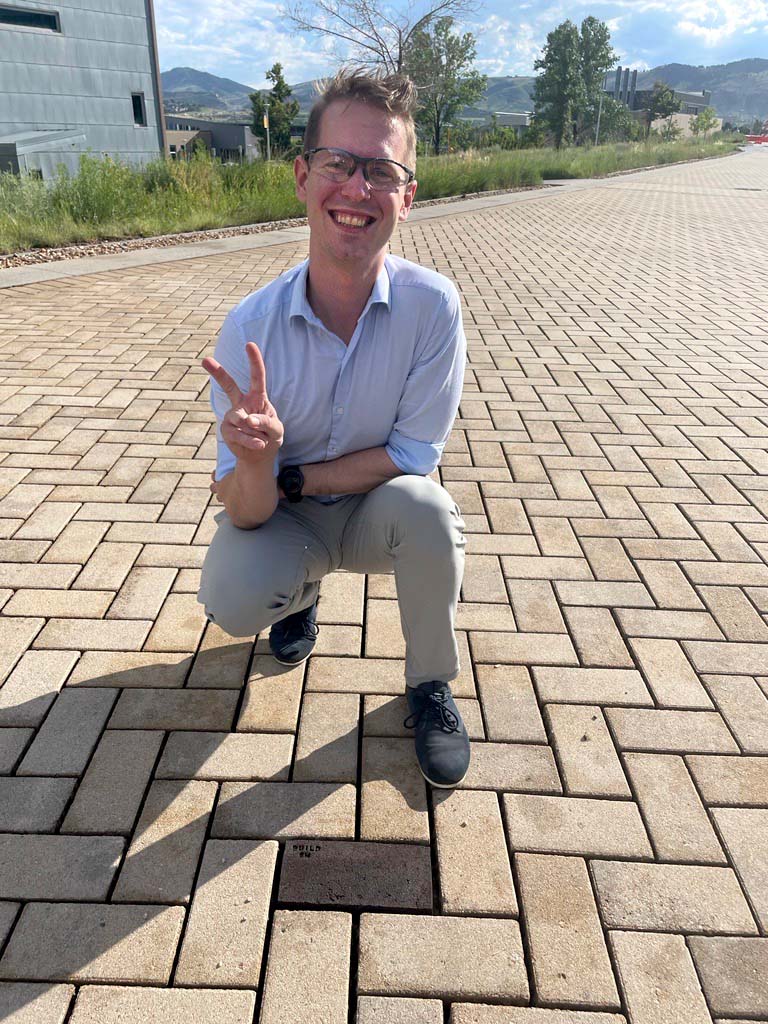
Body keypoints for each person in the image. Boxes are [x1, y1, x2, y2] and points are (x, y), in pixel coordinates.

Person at [197, 68, 470, 788]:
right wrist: (254, 463)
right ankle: (301, 595)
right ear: (301, 176)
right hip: (286, 518)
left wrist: (290, 475)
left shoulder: (433, 307)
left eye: (381, 170)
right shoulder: (250, 327)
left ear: (407, 196)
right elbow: (244, 509)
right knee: (232, 597)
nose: (356, 188)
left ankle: (430, 684)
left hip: (375, 510)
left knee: (430, 512)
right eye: (337, 163)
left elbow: (413, 454)